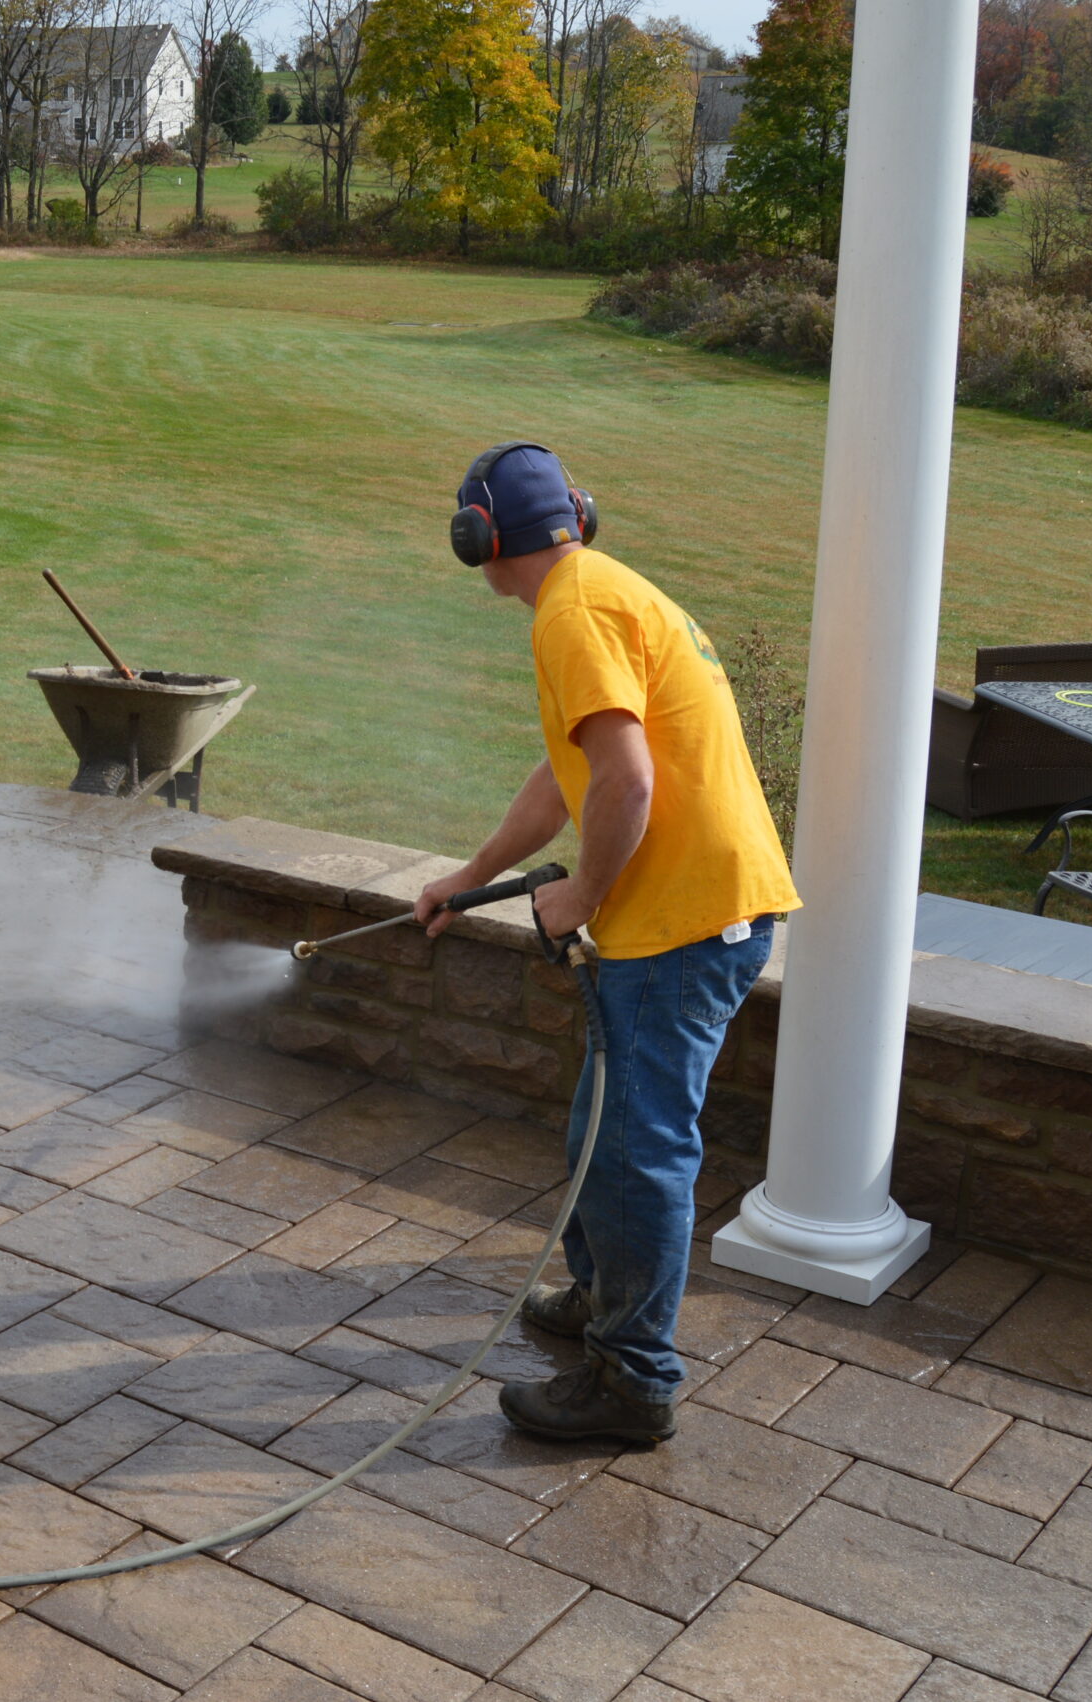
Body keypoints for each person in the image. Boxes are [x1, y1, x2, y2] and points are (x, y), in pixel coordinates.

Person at [413, 443, 798, 1444]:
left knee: (635, 1154)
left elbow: (626, 784)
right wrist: (467, 878)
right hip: (685, 910)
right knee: (602, 1131)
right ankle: (599, 1297)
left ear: (481, 539)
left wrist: (580, 893)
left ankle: (633, 1381)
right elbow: (565, 780)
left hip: (680, 923)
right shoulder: (596, 591)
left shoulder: (574, 614)